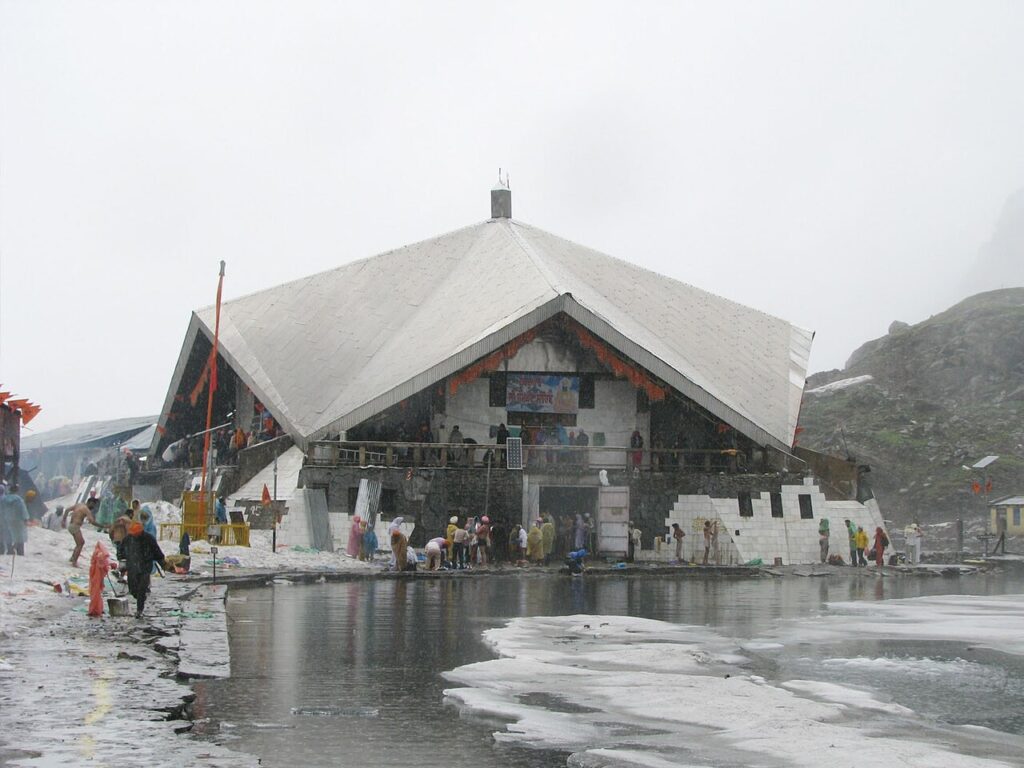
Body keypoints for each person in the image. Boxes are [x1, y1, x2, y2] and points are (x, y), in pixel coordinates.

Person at [122, 521, 167, 619]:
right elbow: (121, 550)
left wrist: (162, 563)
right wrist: (122, 561)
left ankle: (139, 610)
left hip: (145, 567)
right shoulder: (128, 539)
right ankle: (140, 598)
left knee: (142, 588)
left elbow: (157, 551)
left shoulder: (149, 538)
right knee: (133, 589)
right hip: (132, 567)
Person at [63, 498, 98, 567]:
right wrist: (104, 526)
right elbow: (92, 521)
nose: (94, 507)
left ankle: (72, 558)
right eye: (94, 505)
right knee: (81, 543)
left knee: (79, 543)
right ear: (91, 503)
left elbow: (67, 510)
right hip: (75, 526)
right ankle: (74, 562)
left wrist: (63, 520)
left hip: (71, 525)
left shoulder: (79, 505)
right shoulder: (86, 509)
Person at [0, 483, 30, 556]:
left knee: (8, 535)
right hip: (18, 521)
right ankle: (20, 552)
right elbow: (23, 510)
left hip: (6, 520)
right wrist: (25, 519)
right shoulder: (18, 499)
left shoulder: (4, 499)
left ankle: (10, 550)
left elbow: (2, 510)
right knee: (19, 536)